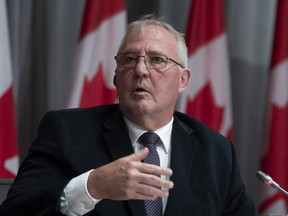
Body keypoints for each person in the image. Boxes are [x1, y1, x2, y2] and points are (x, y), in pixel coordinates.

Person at [0, 14, 258, 216]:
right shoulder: (66, 131)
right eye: (129, 59)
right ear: (116, 76)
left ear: (183, 79)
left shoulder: (216, 151)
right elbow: (15, 210)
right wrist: (92, 186)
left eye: (157, 60)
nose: (141, 70)